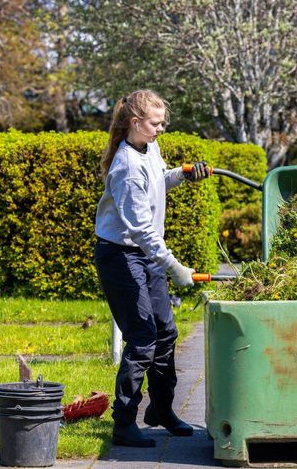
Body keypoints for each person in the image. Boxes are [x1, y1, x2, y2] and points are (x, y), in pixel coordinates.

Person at [94, 89, 210, 447]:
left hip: (144, 256)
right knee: (143, 337)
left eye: (163, 123)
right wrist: (175, 267)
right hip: (120, 256)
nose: (161, 129)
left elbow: (157, 179)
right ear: (135, 123)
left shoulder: (149, 148)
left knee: (166, 330)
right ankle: (123, 422)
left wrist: (183, 174)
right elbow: (141, 229)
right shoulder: (125, 166)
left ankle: (161, 409)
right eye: (156, 123)